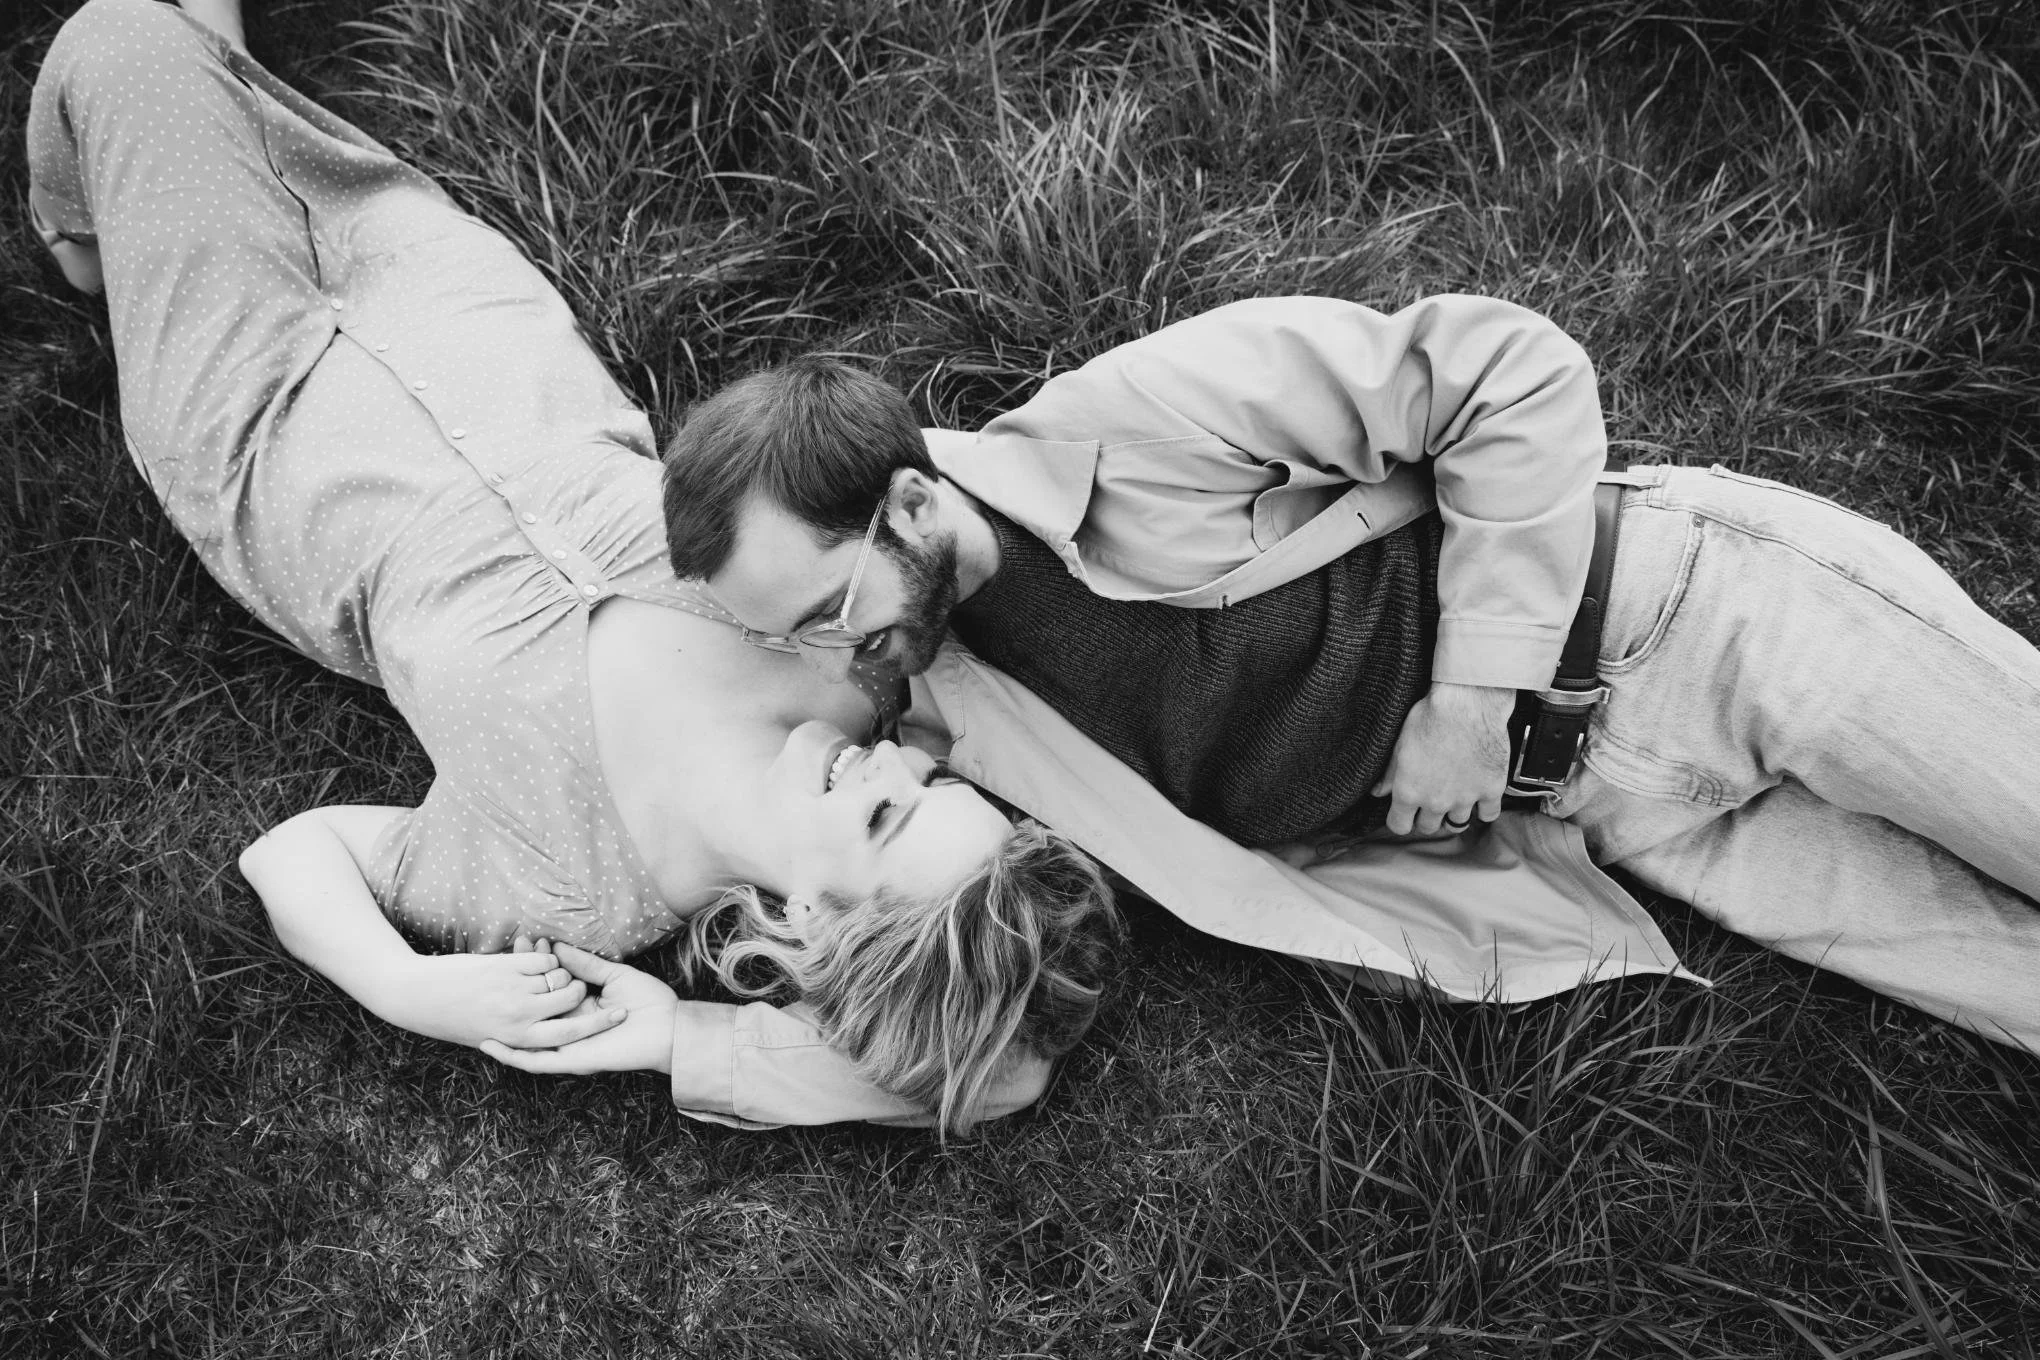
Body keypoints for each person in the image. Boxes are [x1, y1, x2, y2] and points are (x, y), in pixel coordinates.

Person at [26, 0, 1119, 1133]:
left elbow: (297, 852)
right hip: (441, 293)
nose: (895, 768)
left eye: (890, 824)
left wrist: (405, 988)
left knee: (124, 44)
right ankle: (190, 121)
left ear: (823, 929)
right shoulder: (858, 654)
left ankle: (93, 220)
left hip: (264, 420)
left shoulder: (572, 888)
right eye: (932, 787)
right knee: (209, 104)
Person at [657, 295, 2040, 1056]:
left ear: (906, 504)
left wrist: (1467, 702)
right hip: (1632, 817)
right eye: (800, 640)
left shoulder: (1139, 420)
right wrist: (686, 1051)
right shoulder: (961, 714)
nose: (844, 663)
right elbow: (935, 1002)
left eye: (833, 614)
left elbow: (1518, 375)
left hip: (1705, 616)